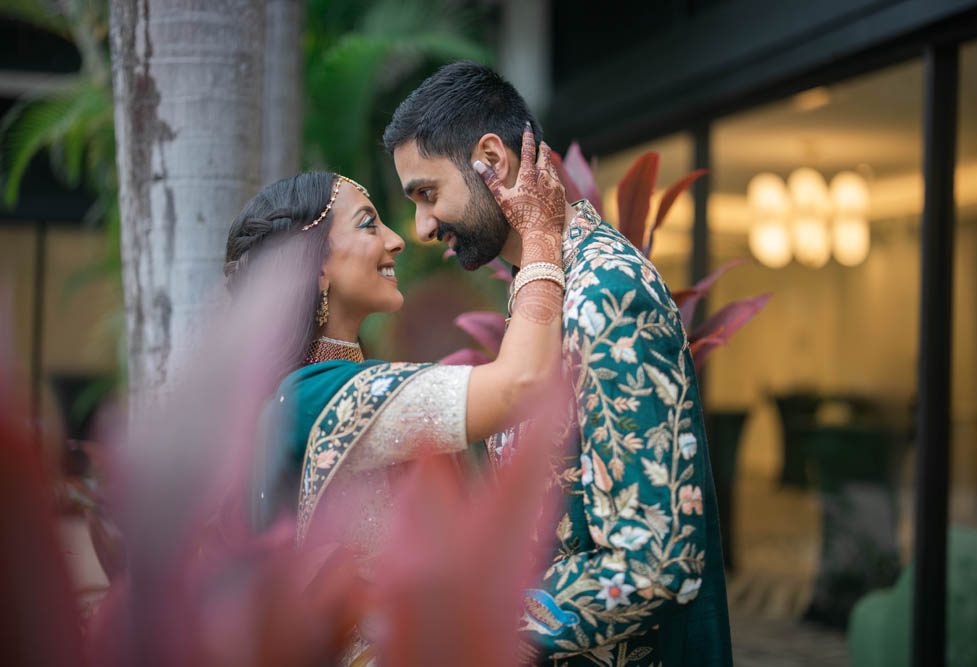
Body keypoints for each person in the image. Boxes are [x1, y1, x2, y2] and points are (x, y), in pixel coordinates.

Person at [384, 61, 733, 666]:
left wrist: (472, 618)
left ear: (490, 159)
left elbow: (652, 561)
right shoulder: (545, 291)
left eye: (427, 194)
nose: (422, 227)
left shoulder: (606, 292)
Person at [222, 131, 564, 558]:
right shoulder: (310, 397)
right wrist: (540, 237)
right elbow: (520, 383)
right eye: (368, 224)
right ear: (315, 268)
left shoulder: (324, 388)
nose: (397, 240)